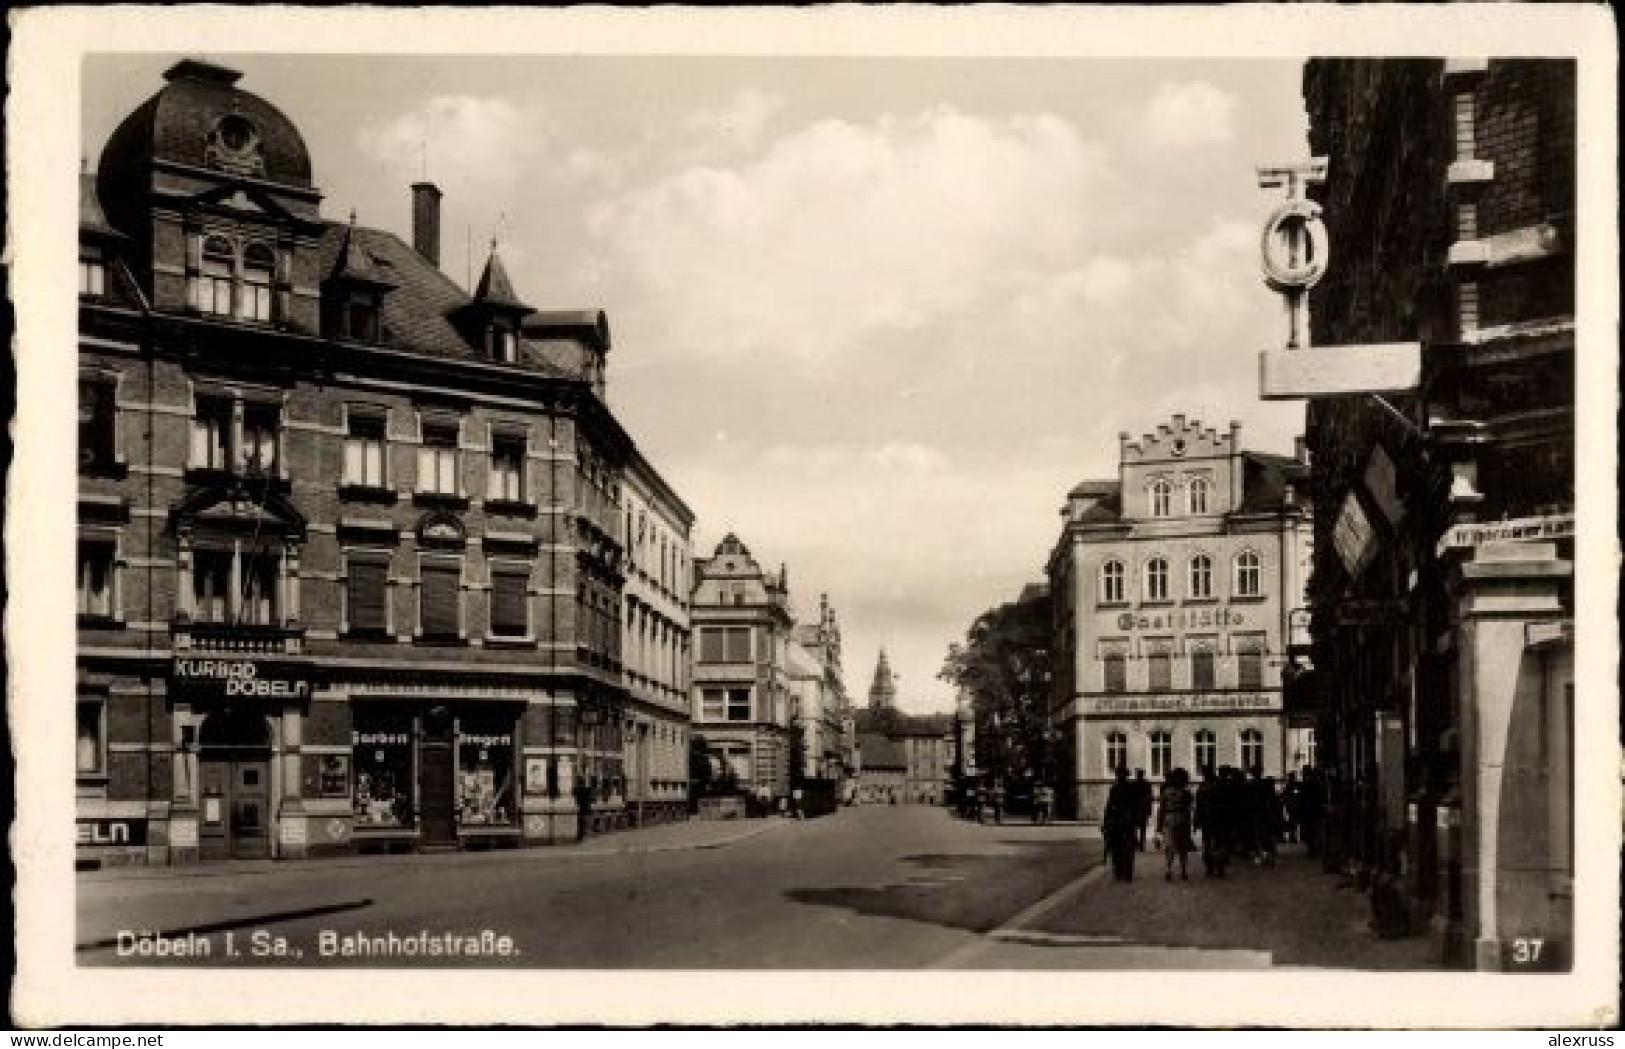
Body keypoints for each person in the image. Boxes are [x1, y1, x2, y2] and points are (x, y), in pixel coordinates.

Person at [1156, 767, 1196, 881]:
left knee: (1173, 846)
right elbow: (1189, 810)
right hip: (1179, 820)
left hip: (1172, 819)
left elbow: (1162, 810)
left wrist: (1159, 827)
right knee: (1178, 847)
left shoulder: (1168, 793)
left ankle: (1172, 869)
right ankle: (1180, 870)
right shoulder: (1186, 793)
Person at [1102, 766, 1139, 882]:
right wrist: (1106, 821)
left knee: (1125, 847)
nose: (1120, 777)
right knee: (1117, 847)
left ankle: (1126, 872)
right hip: (1118, 821)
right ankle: (1120, 871)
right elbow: (1109, 806)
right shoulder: (1115, 789)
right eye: (1119, 775)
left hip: (1125, 821)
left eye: (1121, 775)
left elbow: (1135, 805)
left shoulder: (1129, 788)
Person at [1194, 764, 1229, 878]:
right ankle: (1219, 868)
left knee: (1209, 843)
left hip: (1209, 819)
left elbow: (1199, 806)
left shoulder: (1203, 786)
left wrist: (1197, 820)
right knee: (1218, 843)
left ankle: (1211, 868)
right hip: (1218, 818)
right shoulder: (1220, 785)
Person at [1132, 769, 1154, 850]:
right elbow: (1150, 797)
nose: (1139, 776)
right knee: (1140, 828)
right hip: (1139, 809)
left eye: (1139, 774)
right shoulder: (1145, 784)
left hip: (1139, 809)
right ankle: (1140, 844)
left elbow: (1149, 797)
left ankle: (1139, 843)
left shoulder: (1135, 784)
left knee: (1139, 827)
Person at [573, 777, 594, 842]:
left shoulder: (576, 790)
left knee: (580, 823)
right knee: (586, 823)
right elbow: (592, 799)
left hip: (580, 809)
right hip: (587, 809)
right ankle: (584, 835)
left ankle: (580, 836)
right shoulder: (587, 790)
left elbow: (576, 800)